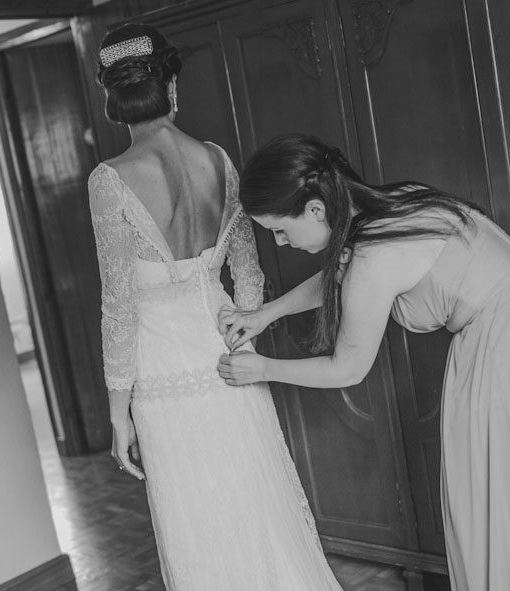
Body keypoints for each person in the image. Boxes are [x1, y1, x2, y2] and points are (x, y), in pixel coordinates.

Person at [217, 134, 510, 591]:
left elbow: (347, 367)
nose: (280, 241)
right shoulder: (395, 202)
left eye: (279, 229)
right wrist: (266, 314)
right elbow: (342, 276)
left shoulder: (373, 256)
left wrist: (265, 369)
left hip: (508, 346)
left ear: (315, 209)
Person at [88, 26, 343, 591]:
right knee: (257, 508)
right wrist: (242, 338)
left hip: (162, 374)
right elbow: (248, 275)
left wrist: (118, 412)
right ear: (170, 85)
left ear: (112, 96)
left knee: (196, 524)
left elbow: (119, 305)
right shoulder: (218, 162)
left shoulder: (110, 181)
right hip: (229, 357)